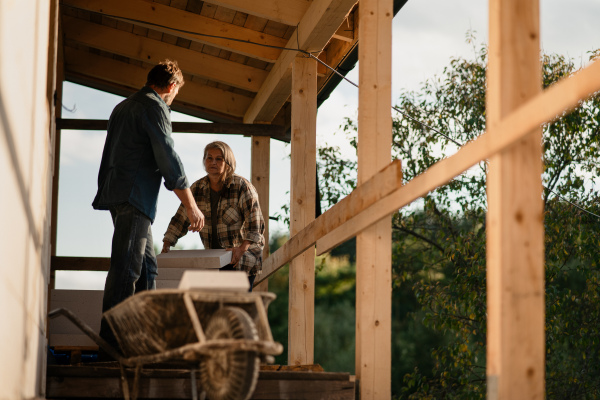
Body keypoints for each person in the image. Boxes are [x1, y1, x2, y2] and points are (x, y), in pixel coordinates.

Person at [92, 60, 204, 354]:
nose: (173, 99)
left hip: (118, 193)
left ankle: (147, 337)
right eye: (176, 93)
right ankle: (113, 343)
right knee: (127, 267)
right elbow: (168, 157)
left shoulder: (123, 107)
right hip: (134, 196)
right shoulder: (153, 107)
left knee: (146, 269)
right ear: (172, 86)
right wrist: (191, 206)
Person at [161, 141, 265, 290]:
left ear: (228, 162)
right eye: (209, 158)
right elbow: (180, 219)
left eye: (219, 159)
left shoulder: (242, 186)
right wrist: (167, 244)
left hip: (241, 259)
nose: (213, 162)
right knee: (213, 307)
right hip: (214, 260)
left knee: (234, 308)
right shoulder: (197, 189)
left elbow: (256, 224)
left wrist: (241, 248)